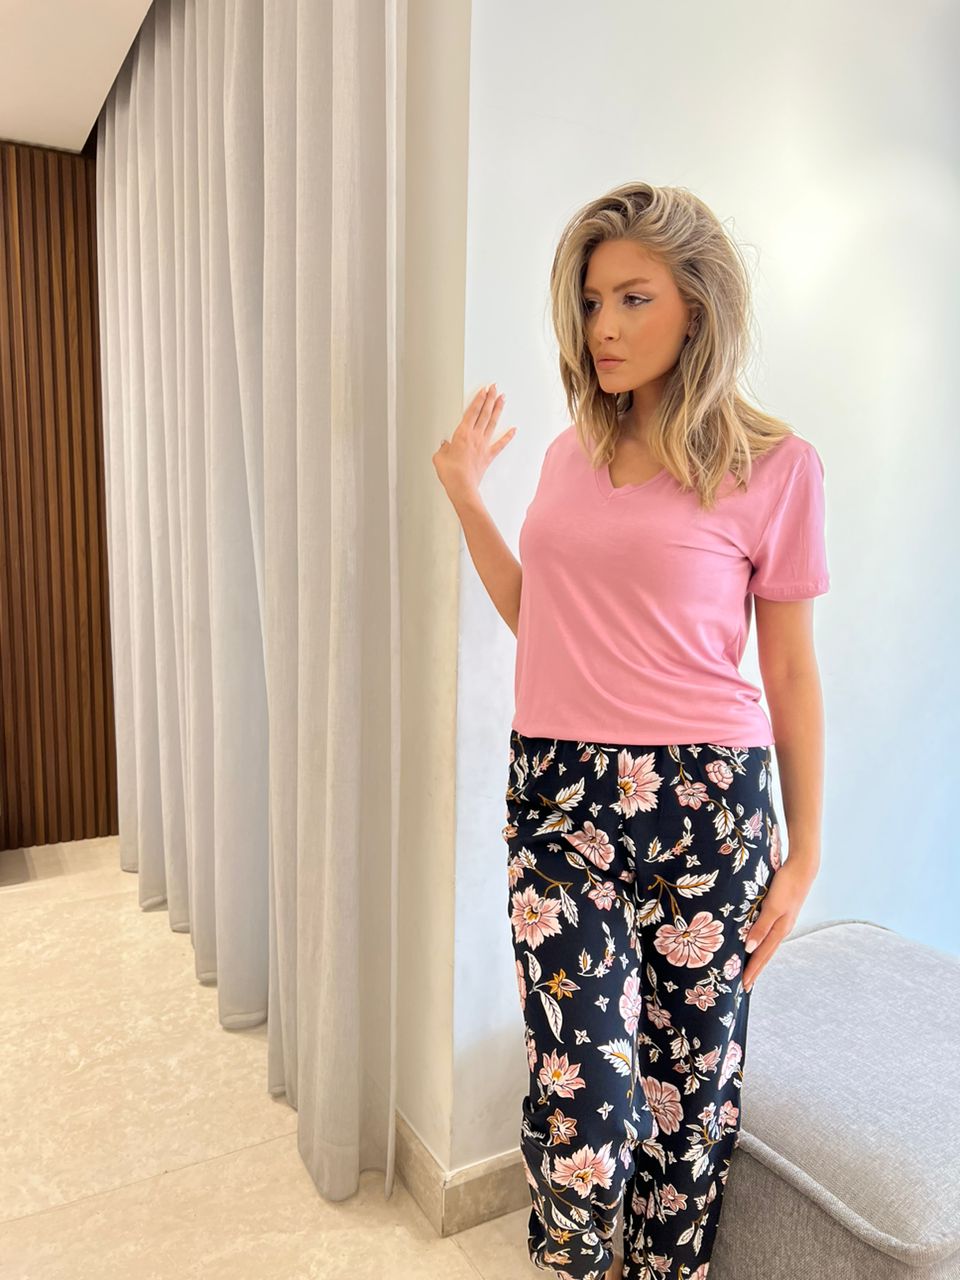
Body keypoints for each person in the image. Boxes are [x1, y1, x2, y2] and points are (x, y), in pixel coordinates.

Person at [432, 181, 829, 1280]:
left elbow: (789, 670)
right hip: (560, 800)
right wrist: (470, 494)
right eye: (592, 299)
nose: (601, 326)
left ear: (695, 308)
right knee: (585, 1115)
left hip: (711, 804)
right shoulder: (566, 457)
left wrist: (805, 849)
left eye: (632, 298)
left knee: (690, 1102)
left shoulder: (776, 467)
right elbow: (540, 621)